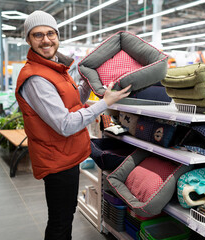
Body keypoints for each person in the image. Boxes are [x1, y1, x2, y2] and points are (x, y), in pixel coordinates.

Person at [15, 10, 131, 240]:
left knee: (65, 214)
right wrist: (104, 104)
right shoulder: (36, 78)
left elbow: (71, 101)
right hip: (56, 159)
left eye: (50, 33)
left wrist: (87, 85)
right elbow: (65, 124)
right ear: (28, 40)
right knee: (60, 221)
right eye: (38, 35)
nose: (46, 40)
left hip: (65, 154)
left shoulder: (55, 68)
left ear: (58, 36)